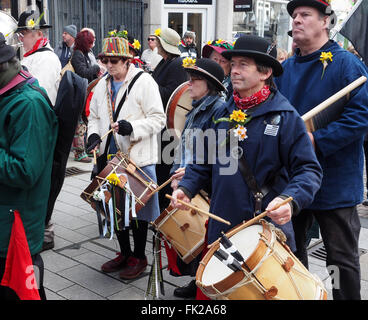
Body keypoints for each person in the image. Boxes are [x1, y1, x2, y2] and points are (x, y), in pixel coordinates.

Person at [171, 35, 323, 298]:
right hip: (222, 226)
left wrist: (290, 200)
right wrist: (187, 187)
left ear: (264, 72)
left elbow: (309, 170)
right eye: (234, 63)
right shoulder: (222, 113)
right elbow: (204, 160)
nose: (235, 70)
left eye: (243, 64)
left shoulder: (285, 118)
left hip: (263, 232)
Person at [275, 0, 368, 300]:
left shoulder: (347, 65)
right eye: (294, 16)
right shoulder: (285, 68)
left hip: (335, 182)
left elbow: (360, 118)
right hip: (295, 181)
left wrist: (317, 140)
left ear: (325, 21)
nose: (297, 20)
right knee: (291, 253)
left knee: (340, 261)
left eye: (305, 15)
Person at [86, 34, 166, 280]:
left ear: (127, 60)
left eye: (115, 60)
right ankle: (124, 252)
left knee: (139, 211)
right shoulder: (101, 84)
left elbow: (159, 118)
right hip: (109, 156)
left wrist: (133, 127)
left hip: (137, 157)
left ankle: (139, 257)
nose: (109, 65)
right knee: (114, 208)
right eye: (105, 60)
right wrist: (93, 135)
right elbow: (94, 117)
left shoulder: (145, 82)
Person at [0, 32, 58, 300]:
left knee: (24, 293)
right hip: (6, 223)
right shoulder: (8, 92)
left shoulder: (28, 103)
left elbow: (25, 171)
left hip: (14, 231)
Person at [169, 58, 227, 298]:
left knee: (209, 240)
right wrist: (176, 175)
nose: (189, 84)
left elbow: (218, 154)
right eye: (189, 79)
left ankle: (209, 285)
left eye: (195, 80)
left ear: (210, 84)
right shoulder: (195, 107)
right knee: (198, 240)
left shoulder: (219, 109)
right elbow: (182, 146)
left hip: (205, 186)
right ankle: (198, 280)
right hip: (190, 182)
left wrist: (192, 175)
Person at [152, 27, 188, 212]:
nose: (155, 44)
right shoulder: (166, 62)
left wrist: (150, 84)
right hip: (162, 125)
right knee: (160, 168)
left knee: (165, 169)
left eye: (158, 41)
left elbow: (173, 95)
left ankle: (165, 208)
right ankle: (160, 207)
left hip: (170, 127)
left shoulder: (177, 64)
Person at [16, 10, 61, 105]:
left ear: (39, 34)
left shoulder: (47, 59)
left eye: (23, 33)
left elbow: (36, 96)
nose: (20, 38)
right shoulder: (36, 55)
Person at [70, 30, 101, 164]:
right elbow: (82, 72)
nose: (92, 44)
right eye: (90, 42)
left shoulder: (85, 53)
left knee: (85, 122)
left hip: (86, 93)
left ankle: (86, 148)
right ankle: (79, 152)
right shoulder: (78, 54)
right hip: (79, 93)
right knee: (80, 124)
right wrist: (96, 68)